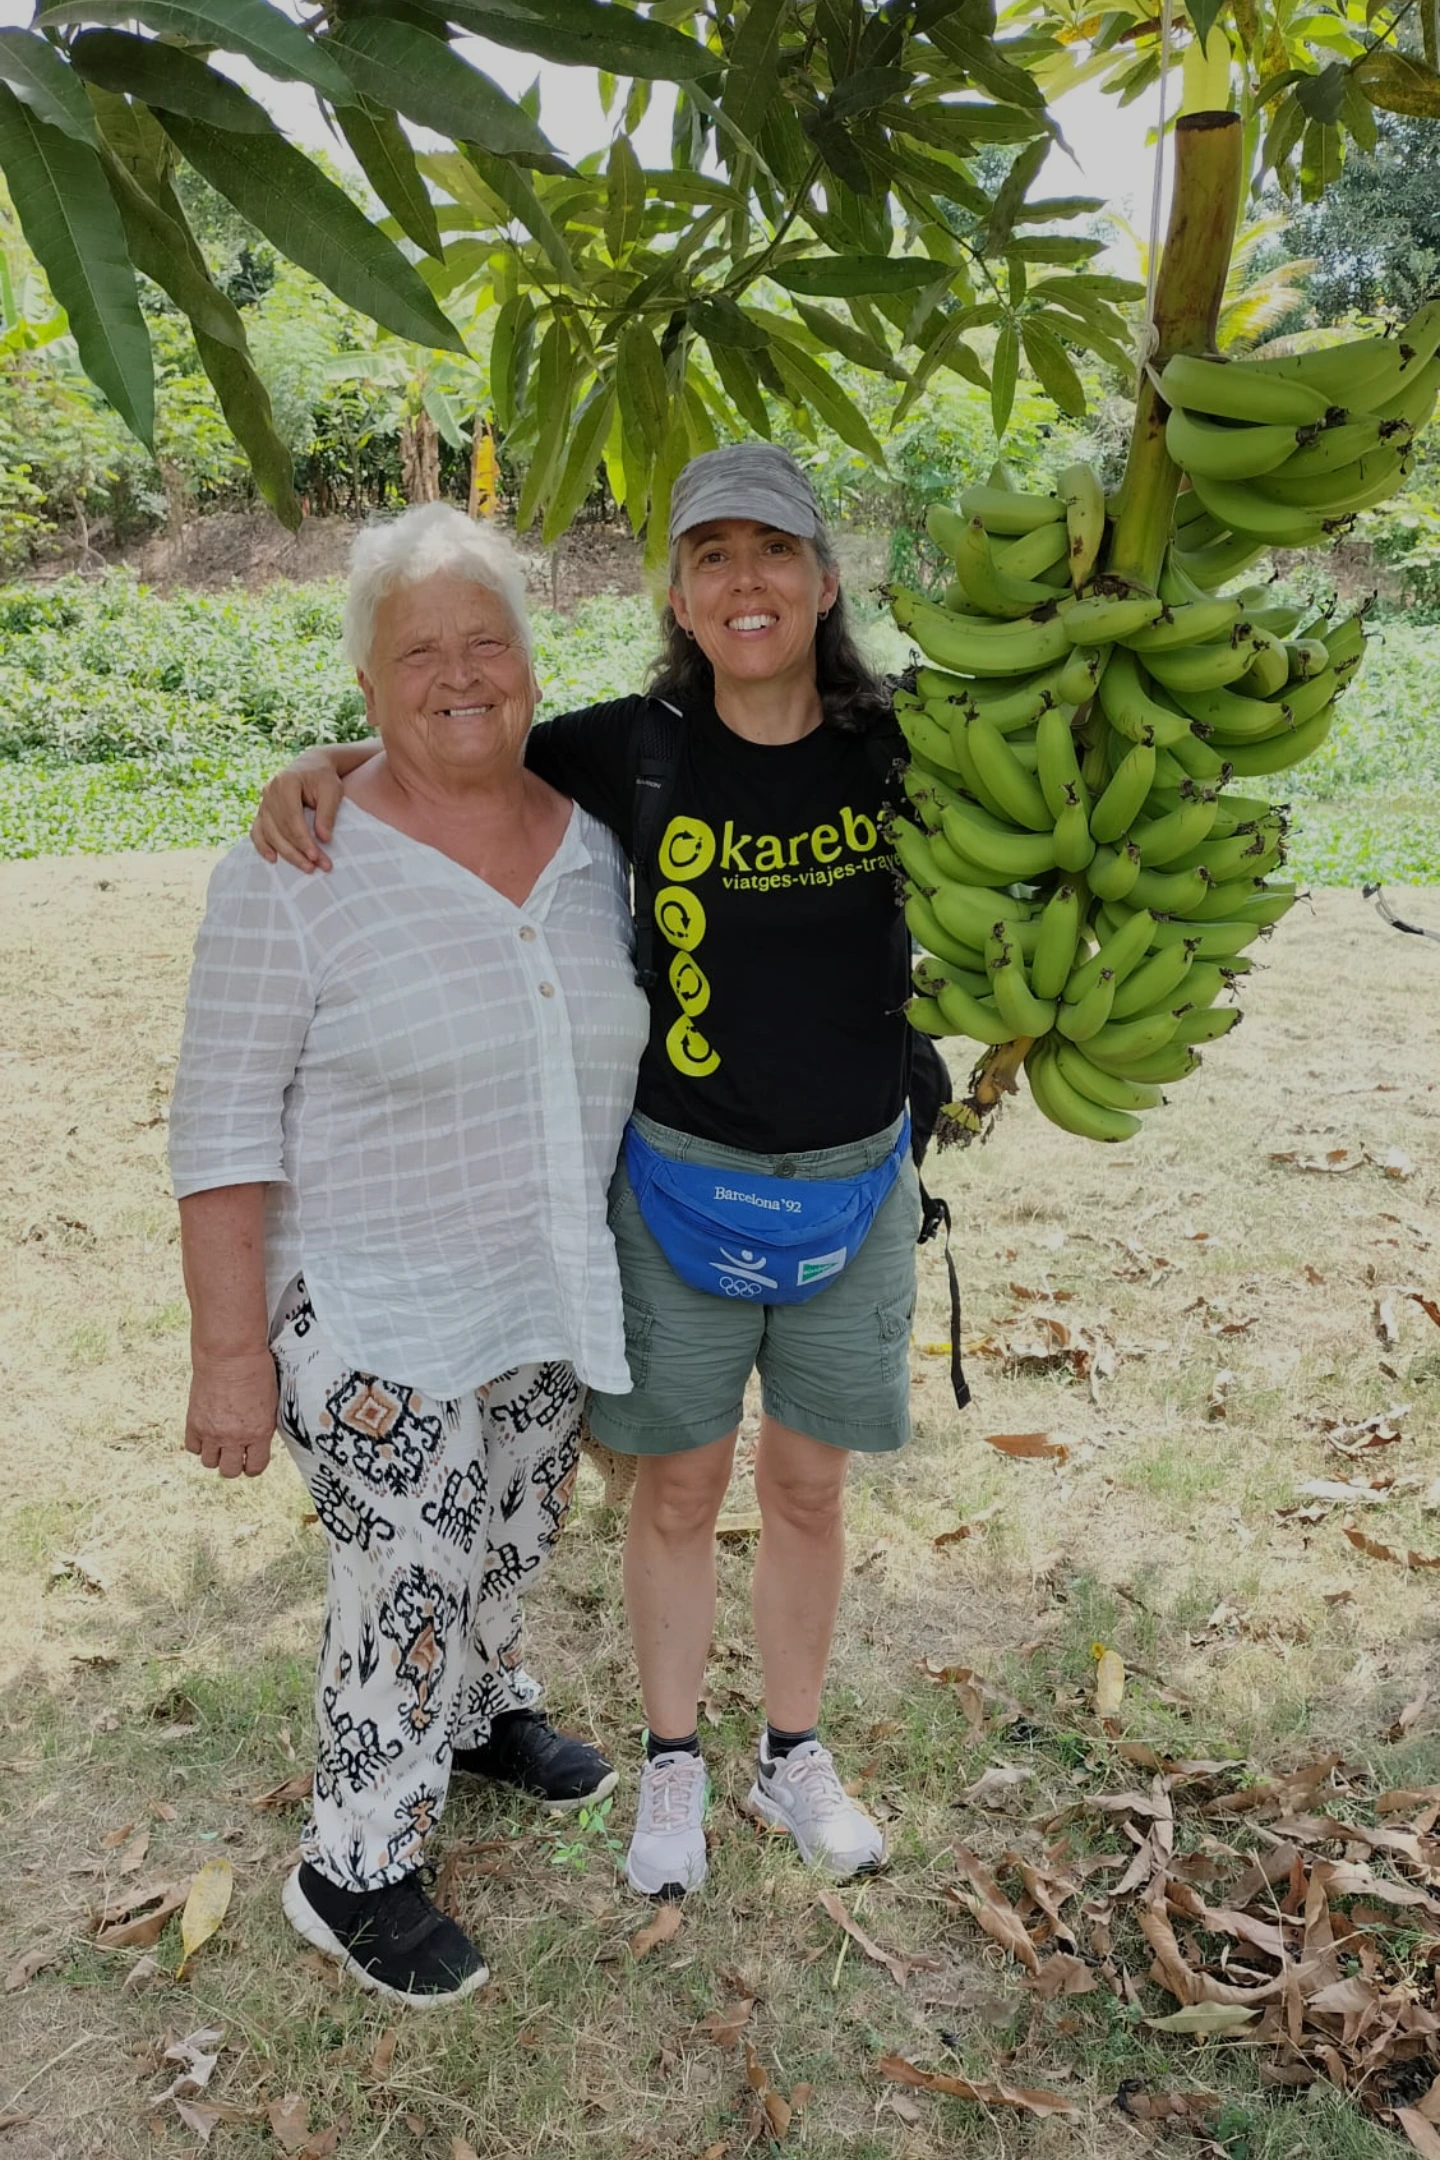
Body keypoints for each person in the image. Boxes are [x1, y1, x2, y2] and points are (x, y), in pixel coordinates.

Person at [253, 445, 923, 1902]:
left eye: (772, 551)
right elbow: (454, 732)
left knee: (809, 1490)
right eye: (710, 556)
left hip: (857, 1185)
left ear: (822, 578)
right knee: (676, 1494)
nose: (744, 582)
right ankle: (674, 1761)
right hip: (678, 1185)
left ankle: (791, 1751)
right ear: (678, 596)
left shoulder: (909, 746)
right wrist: (323, 765)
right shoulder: (630, 748)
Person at [169, 505, 650, 2003]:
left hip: (536, 1270)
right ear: (365, 690)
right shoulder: (298, 858)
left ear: (532, 657)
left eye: (487, 638)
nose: (460, 674)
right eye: (417, 653)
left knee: (511, 1523)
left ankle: (483, 1713)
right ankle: (353, 1866)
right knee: (411, 1564)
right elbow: (220, 1123)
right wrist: (230, 1354)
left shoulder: (596, 837)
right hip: (364, 1294)